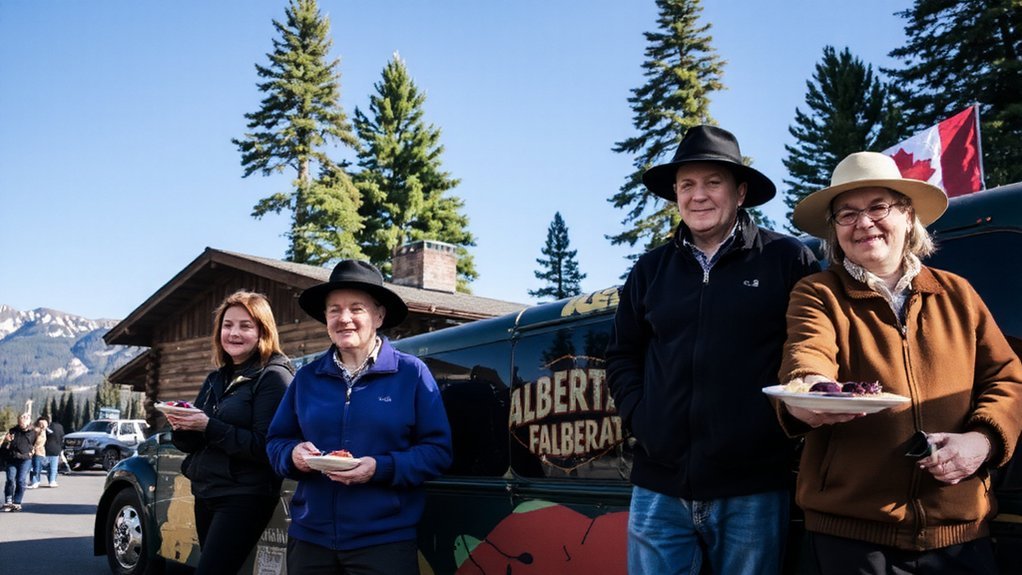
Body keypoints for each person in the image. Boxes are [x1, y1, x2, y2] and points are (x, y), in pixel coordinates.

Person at [779, 151, 1022, 573]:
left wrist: (981, 442)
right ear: (835, 231)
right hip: (852, 541)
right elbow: (806, 354)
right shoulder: (817, 293)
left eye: (878, 207)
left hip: (961, 536)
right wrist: (810, 391)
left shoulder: (957, 293)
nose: (864, 222)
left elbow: (1007, 379)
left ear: (908, 216)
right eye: (847, 214)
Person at [606, 125, 820, 574]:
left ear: (740, 192)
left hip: (753, 488)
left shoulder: (787, 260)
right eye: (687, 185)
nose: (697, 196)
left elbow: (811, 348)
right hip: (658, 488)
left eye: (712, 182)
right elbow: (622, 354)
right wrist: (643, 420)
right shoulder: (649, 270)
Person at [267, 260, 453, 575]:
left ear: (378, 316)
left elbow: (437, 452)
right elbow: (276, 441)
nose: (344, 319)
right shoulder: (307, 378)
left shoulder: (411, 373)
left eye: (357, 309)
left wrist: (379, 468)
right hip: (310, 539)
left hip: (384, 542)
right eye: (334, 310)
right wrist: (292, 455)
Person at [166, 290, 294, 575]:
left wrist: (207, 425)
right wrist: (181, 425)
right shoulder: (216, 377)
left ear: (263, 330)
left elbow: (266, 447)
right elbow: (194, 443)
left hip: (245, 496)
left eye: (245, 326)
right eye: (228, 325)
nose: (234, 333)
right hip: (207, 491)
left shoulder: (274, 376)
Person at [3, 413, 38, 511]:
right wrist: (7, 441)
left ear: (28, 422)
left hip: (25, 459)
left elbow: (37, 443)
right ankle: (8, 501)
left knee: (21, 480)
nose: (20, 424)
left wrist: (34, 451)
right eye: (19, 422)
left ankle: (17, 502)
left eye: (22, 422)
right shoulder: (13, 430)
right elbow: (6, 445)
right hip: (12, 458)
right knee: (10, 479)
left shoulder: (33, 432)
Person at [43, 416, 64, 486]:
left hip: (47, 448)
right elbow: (62, 437)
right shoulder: (60, 427)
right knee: (54, 467)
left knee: (48, 467)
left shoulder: (48, 427)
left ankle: (50, 480)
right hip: (56, 449)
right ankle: (52, 480)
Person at [27, 417, 47, 489]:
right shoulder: (35, 431)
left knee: (36, 467)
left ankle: (36, 481)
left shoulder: (42, 433)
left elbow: (39, 443)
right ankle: (32, 480)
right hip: (34, 451)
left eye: (43, 424)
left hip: (39, 452)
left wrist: (33, 448)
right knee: (32, 467)